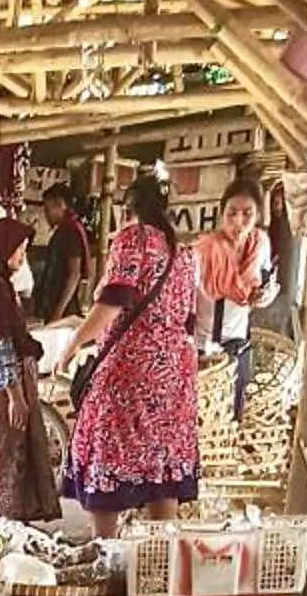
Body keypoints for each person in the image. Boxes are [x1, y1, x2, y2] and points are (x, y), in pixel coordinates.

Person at [62, 172, 200, 535]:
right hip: (175, 375)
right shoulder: (184, 254)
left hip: (133, 370)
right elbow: (189, 319)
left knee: (106, 449)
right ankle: (161, 554)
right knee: (162, 460)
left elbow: (113, 301)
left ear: (129, 211)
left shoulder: (134, 238)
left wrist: (75, 341)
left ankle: (105, 550)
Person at [0, 216, 61, 523]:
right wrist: (15, 398)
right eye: (19, 250)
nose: (22, 256)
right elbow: (0, 349)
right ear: (2, 249)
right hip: (0, 391)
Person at [195, 176, 278, 418]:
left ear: (258, 217)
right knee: (203, 420)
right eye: (231, 213)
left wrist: (265, 296)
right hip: (202, 347)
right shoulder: (204, 251)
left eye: (247, 214)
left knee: (233, 417)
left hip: (238, 344)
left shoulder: (261, 245)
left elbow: (265, 283)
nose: (238, 222)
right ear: (221, 213)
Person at [29, 183, 92, 325]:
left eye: (47, 209)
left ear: (60, 205)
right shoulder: (62, 231)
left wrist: (58, 314)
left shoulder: (70, 232)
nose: (45, 214)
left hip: (64, 310)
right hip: (54, 305)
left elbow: (74, 275)